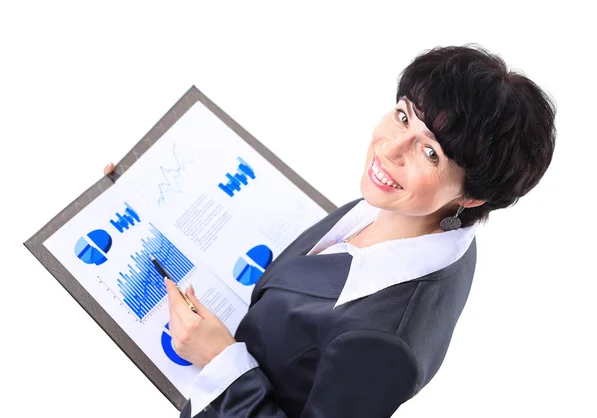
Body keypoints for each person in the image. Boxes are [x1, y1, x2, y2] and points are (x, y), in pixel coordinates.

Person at [105, 44, 556, 418]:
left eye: (430, 152)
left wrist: (222, 362)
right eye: (402, 116)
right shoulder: (405, 215)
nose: (390, 149)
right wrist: (142, 193)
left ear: (472, 197)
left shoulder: (385, 345)